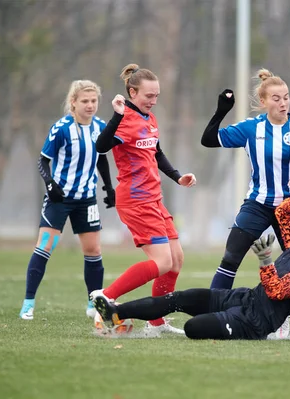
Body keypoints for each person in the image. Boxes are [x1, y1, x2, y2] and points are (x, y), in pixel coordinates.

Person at [90, 190, 290, 340]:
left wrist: (266, 260)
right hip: (245, 298)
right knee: (181, 298)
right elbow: (282, 214)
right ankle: (114, 314)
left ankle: (216, 322)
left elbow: (276, 291)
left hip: (257, 322)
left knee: (193, 327)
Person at [201, 68, 290, 337]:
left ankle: (280, 320)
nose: (283, 103)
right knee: (230, 257)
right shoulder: (252, 128)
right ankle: (211, 313)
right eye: (276, 98)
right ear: (264, 102)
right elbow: (208, 140)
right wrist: (221, 110)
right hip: (257, 204)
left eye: (286, 97)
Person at [93, 63, 196, 334]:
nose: (154, 100)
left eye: (157, 96)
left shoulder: (150, 119)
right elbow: (100, 147)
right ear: (132, 92)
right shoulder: (123, 118)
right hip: (136, 200)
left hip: (154, 198)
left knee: (176, 259)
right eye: (149, 96)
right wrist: (116, 115)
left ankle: (156, 321)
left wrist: (177, 177)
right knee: (162, 262)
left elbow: (157, 153)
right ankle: (106, 296)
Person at [19, 80, 116, 320]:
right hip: (60, 198)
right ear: (73, 103)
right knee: (45, 246)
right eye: (85, 101)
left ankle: (93, 303)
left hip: (87, 199)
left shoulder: (101, 127)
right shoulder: (61, 128)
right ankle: (28, 303)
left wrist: (109, 187)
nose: (90, 105)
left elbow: (102, 158)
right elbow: (43, 161)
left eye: (93, 101)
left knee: (93, 250)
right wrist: (50, 184)